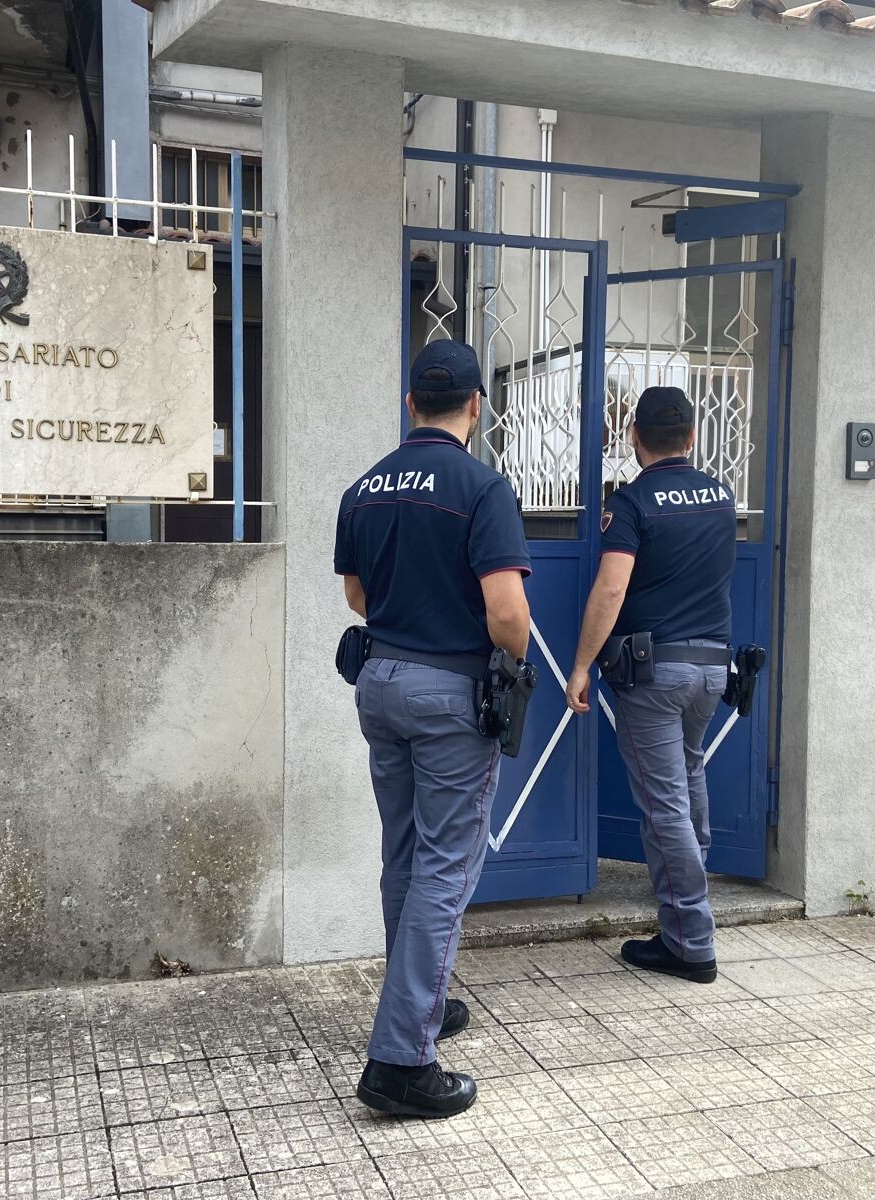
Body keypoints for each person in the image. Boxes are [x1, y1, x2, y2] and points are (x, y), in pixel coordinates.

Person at [335, 339, 531, 1118]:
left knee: (406, 855)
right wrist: (511, 661)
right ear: (476, 407)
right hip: (450, 692)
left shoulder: (365, 487)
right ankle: (400, 1062)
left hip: (380, 683)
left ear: (410, 402)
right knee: (447, 868)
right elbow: (508, 615)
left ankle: (420, 1002)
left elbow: (357, 596)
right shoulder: (482, 487)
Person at [564, 386, 735, 983]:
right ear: (691, 437)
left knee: (665, 805)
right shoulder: (721, 497)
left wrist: (581, 664)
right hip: (711, 668)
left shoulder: (632, 504)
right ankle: (685, 910)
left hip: (655, 674)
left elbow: (612, 589)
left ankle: (691, 940)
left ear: (633, 437)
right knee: (688, 783)